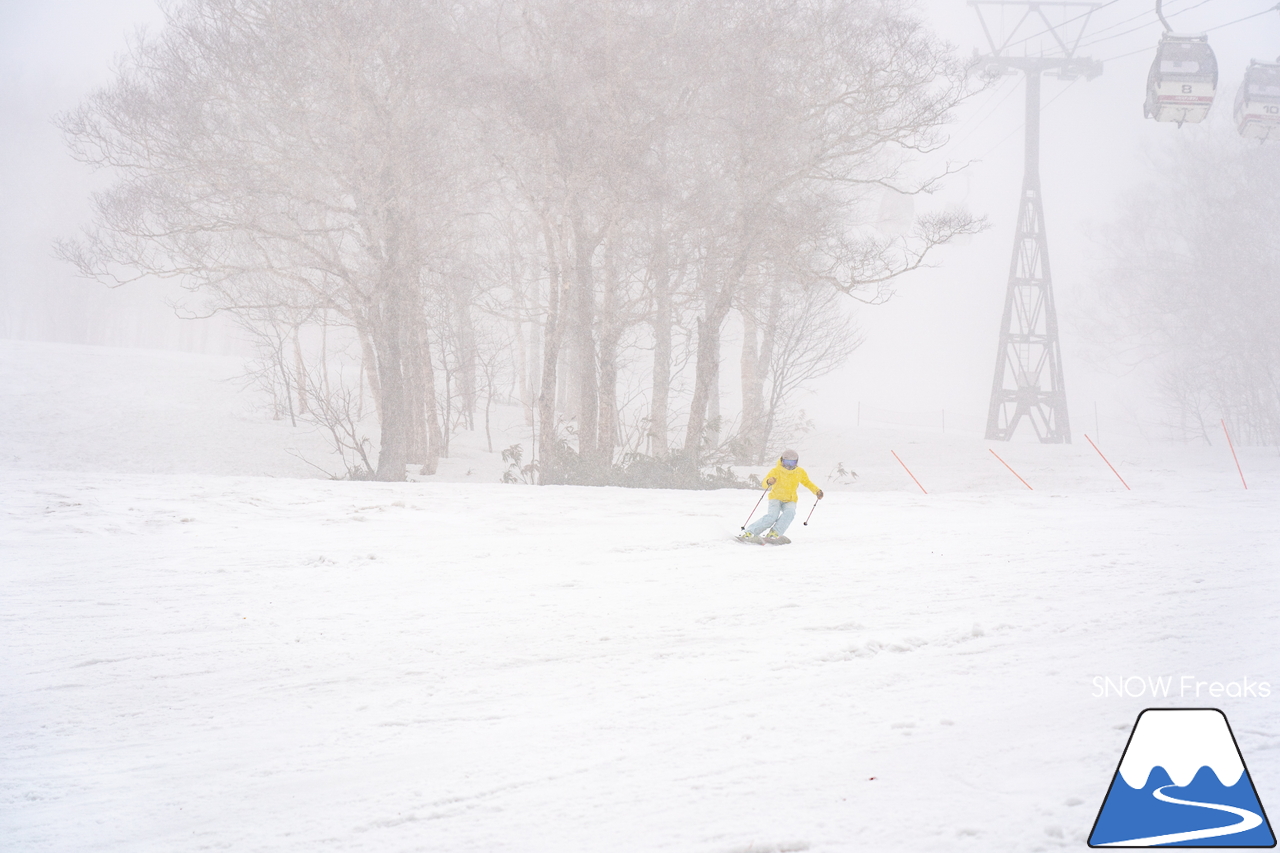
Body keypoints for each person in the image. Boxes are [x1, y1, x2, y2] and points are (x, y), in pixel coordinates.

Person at [738, 449, 823, 544]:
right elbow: (764, 484)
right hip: (776, 498)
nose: (789, 465)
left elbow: (807, 483)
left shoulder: (800, 472)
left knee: (790, 513)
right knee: (772, 517)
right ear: (782, 460)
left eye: (792, 462)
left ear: (796, 462)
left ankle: (774, 533)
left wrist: (817, 491)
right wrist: (769, 481)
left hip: (790, 499)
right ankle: (749, 533)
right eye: (787, 462)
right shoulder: (776, 470)